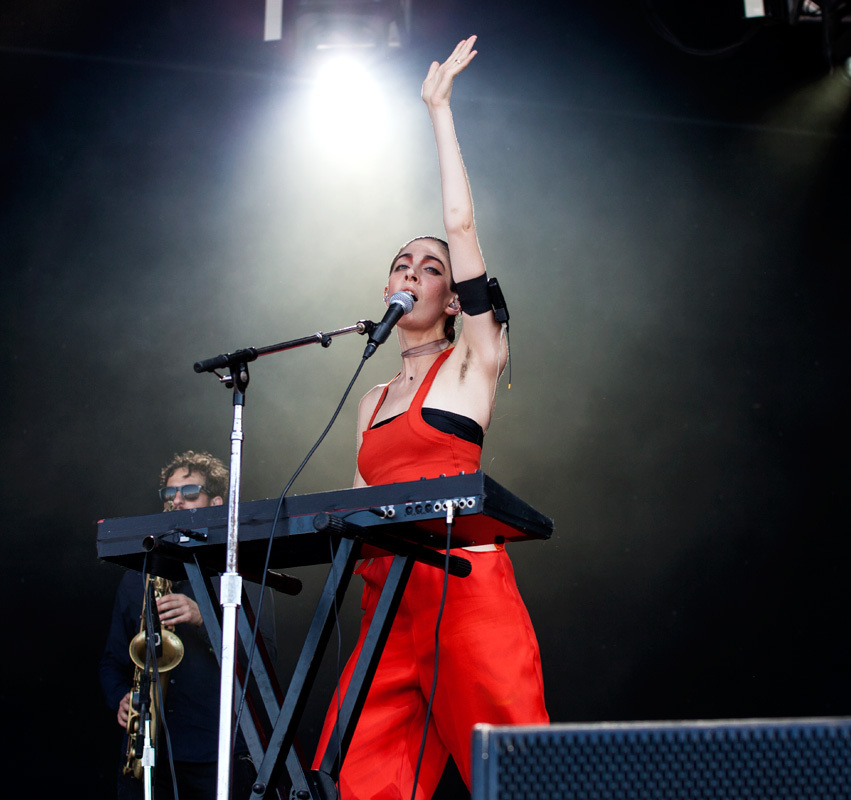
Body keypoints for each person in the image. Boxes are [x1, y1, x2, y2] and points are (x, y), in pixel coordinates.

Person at [312, 36, 549, 800]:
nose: (412, 273)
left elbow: (462, 225)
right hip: (387, 608)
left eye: (431, 268)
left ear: (452, 300)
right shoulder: (372, 400)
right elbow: (356, 510)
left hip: (464, 594)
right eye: (401, 265)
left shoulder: (474, 359)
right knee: (350, 781)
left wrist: (438, 110)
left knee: (518, 781)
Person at [100, 450, 275, 800]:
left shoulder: (240, 572)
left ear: (216, 503)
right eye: (170, 493)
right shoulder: (138, 575)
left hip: (219, 752)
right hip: (150, 751)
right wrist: (120, 697)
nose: (176, 500)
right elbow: (112, 661)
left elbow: (263, 661)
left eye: (190, 492)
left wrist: (203, 616)